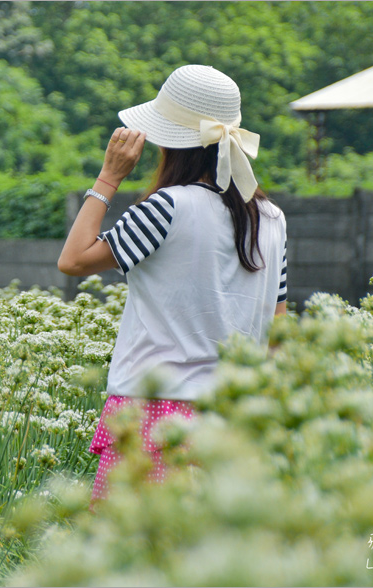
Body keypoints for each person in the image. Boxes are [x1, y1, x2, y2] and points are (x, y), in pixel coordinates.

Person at [57, 64, 289, 504]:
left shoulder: (166, 207)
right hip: (237, 422)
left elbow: (72, 261)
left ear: (169, 142)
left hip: (153, 413)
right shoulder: (273, 220)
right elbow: (279, 331)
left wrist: (109, 177)